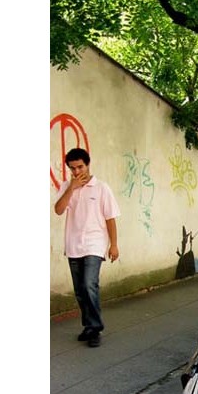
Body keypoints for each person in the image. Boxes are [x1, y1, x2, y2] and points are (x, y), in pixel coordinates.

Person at [54, 148, 120, 348]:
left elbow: (110, 218)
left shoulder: (101, 188)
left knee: (89, 283)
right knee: (80, 290)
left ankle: (95, 329)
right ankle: (88, 326)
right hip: (73, 244)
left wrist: (114, 245)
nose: (76, 172)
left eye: (80, 167)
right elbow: (58, 210)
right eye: (72, 168)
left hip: (94, 244)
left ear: (88, 164)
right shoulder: (67, 186)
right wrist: (71, 188)